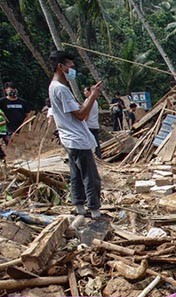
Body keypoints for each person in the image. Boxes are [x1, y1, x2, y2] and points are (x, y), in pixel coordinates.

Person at [48, 50, 105, 220]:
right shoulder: (61, 90)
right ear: (61, 66)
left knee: (77, 174)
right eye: (70, 66)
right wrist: (93, 96)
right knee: (90, 177)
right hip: (76, 139)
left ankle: (79, 206)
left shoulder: (54, 87)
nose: (73, 69)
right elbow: (80, 115)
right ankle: (94, 210)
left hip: (69, 138)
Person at [83, 86, 101, 158]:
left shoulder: (88, 101)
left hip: (89, 125)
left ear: (90, 92)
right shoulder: (95, 101)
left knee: (89, 142)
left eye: (85, 91)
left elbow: (86, 113)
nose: (84, 93)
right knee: (96, 142)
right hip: (95, 124)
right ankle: (98, 155)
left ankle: (92, 157)